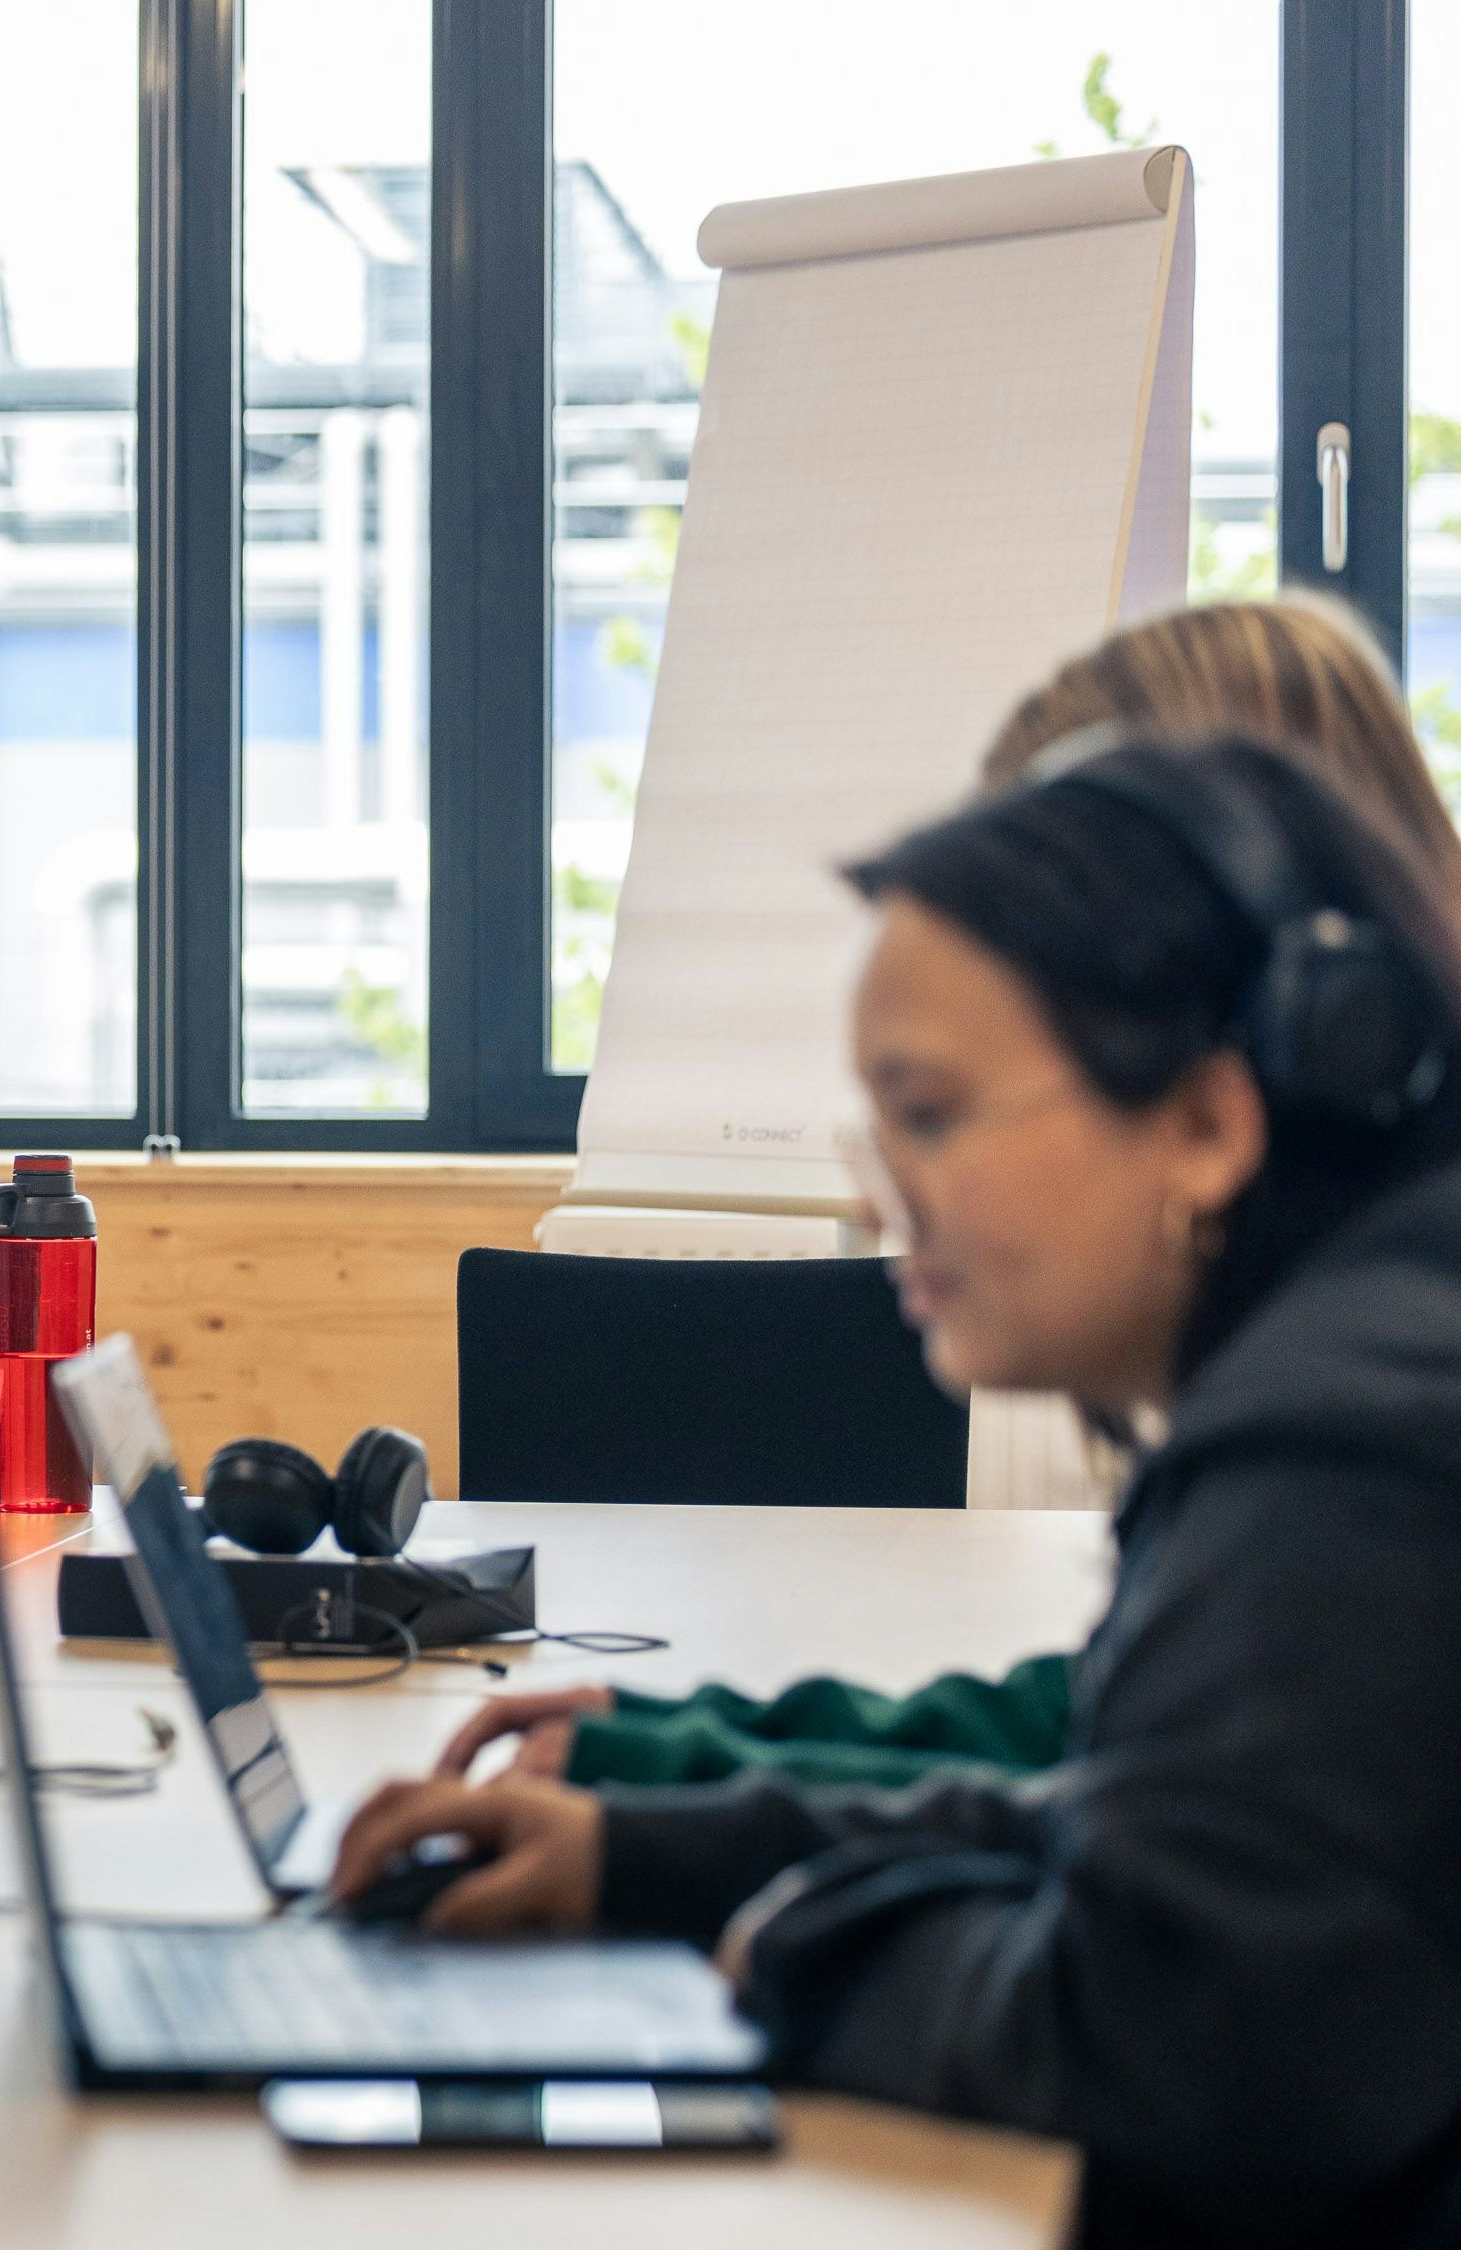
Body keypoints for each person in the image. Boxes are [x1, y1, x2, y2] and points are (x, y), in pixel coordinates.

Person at [335, 737, 1461, 2236]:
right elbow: (1116, 1827)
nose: (878, 1192)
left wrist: (783, 1947)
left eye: (928, 1113)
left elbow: (1167, 2041)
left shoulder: (1341, 1455)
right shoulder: (1365, 1366)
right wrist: (656, 1853)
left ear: (1204, 1121)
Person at [440, 592, 1461, 1792]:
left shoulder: (1352, 1437)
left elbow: (1118, 1933)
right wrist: (699, 1770)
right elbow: (1113, 1737)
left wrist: (744, 1879)